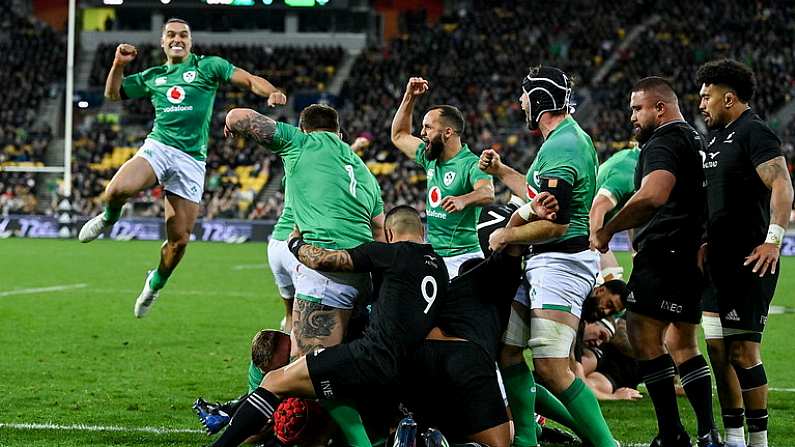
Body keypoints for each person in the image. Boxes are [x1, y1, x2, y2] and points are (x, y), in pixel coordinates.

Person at [77, 18, 288, 318]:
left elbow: (250, 78)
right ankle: (111, 217)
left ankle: (154, 283)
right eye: (171, 35)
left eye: (183, 35)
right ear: (163, 42)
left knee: (178, 242)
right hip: (159, 147)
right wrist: (118, 64)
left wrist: (271, 91)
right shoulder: (154, 76)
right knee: (116, 190)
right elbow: (113, 94)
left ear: (190, 41)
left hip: (191, 160)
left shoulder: (208, 66)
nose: (177, 39)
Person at [209, 206, 448, 447]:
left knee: (274, 381)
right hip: (407, 370)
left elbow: (322, 260)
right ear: (422, 231)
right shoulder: (439, 267)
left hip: (370, 358)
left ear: (388, 233)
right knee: (334, 392)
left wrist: (294, 243)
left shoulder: (391, 253)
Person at [225, 104, 385, 446]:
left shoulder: (300, 143)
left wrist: (233, 128)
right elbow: (381, 230)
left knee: (308, 371)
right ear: (339, 134)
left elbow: (238, 115)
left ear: (305, 128)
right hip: (364, 274)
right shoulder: (363, 170)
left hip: (325, 271)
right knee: (335, 363)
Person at [480, 66, 616, 447]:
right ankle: (526, 437)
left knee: (553, 369)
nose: (520, 103)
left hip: (561, 263)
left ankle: (607, 444)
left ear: (539, 100)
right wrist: (503, 170)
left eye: (524, 96)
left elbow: (555, 224)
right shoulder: (562, 140)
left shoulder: (563, 146)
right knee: (507, 352)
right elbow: (539, 199)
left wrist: (506, 234)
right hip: (543, 262)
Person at [591, 77, 719, 446]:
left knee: (642, 335)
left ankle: (671, 433)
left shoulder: (663, 140)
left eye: (637, 108)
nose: (632, 116)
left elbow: (653, 195)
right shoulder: (696, 139)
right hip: (692, 254)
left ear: (658, 107)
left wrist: (607, 231)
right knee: (683, 343)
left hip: (665, 252)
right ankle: (708, 433)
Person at [696, 58, 794, 447]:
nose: (701, 104)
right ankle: (734, 437)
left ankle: (759, 440)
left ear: (729, 97)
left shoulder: (755, 132)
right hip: (717, 264)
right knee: (718, 351)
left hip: (750, 261)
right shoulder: (717, 139)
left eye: (707, 97)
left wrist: (773, 238)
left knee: (743, 351)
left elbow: (782, 185)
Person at [391, 77, 495, 277]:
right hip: (435, 255)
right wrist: (409, 97)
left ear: (448, 132)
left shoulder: (471, 163)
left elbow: (487, 192)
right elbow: (399, 135)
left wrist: (463, 199)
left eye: (428, 127)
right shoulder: (430, 157)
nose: (422, 133)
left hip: (463, 258)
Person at [589, 144, 640, 281]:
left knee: (614, 282)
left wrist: (636, 252)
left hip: (588, 225)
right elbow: (597, 207)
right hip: (580, 226)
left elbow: (633, 217)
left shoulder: (631, 157)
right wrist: (590, 255)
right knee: (609, 287)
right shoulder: (630, 172)